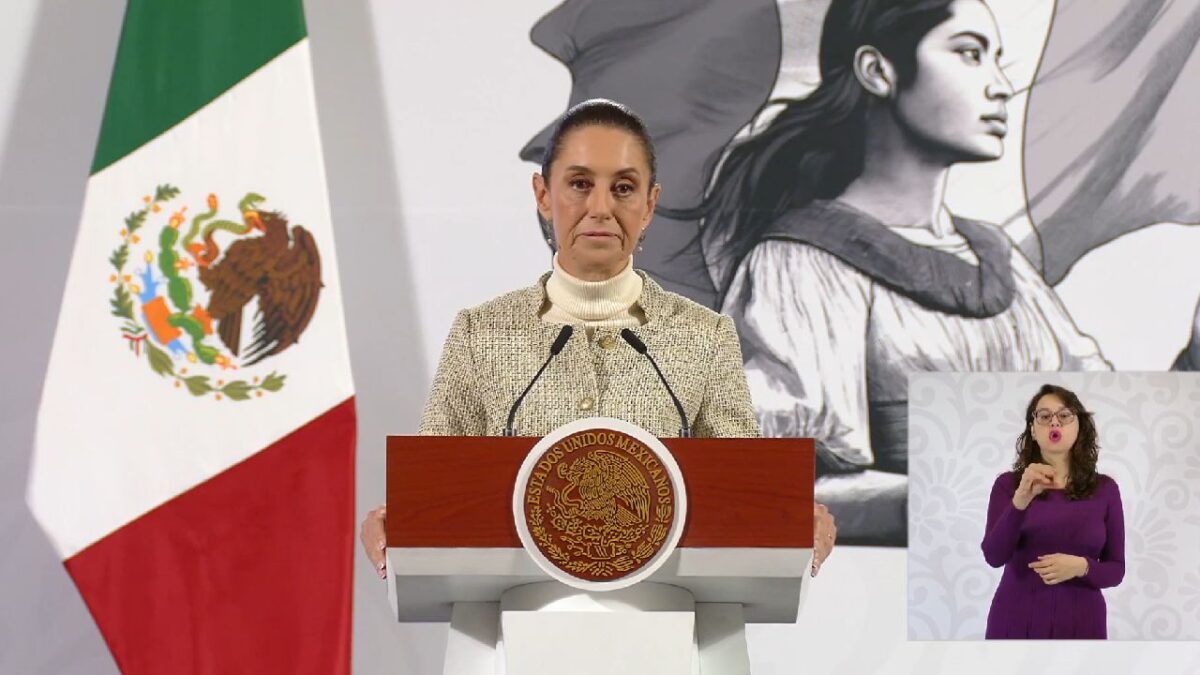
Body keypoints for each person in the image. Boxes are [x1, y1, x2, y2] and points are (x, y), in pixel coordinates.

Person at [672, 0, 1199, 545]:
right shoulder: (802, 262)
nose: (999, 87)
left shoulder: (1000, 262)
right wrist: (970, 498)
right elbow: (753, 484)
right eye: (969, 54)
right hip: (889, 602)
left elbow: (1111, 437)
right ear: (879, 72)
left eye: (999, 61)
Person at [359, 99, 837, 577]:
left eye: (624, 188)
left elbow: (744, 496)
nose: (601, 208)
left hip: (666, 624)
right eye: (580, 184)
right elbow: (435, 491)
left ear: (650, 204)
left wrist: (790, 516)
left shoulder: (704, 337)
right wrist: (400, 520)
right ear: (543, 195)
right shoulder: (481, 333)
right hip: (516, 624)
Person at [981, 384, 1125, 638]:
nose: (1054, 423)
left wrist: (1082, 567)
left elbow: (1116, 570)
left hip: (1083, 622)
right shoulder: (1009, 485)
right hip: (1016, 619)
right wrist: (1020, 501)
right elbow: (993, 556)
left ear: (1078, 426)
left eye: (1065, 415)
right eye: (1044, 416)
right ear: (1033, 430)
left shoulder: (1106, 489)